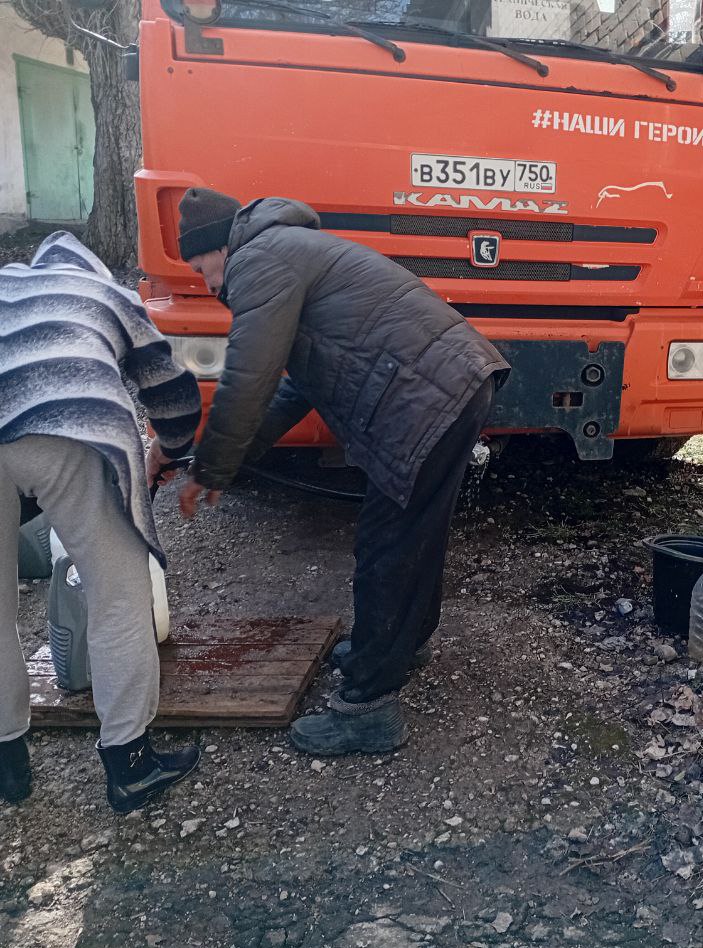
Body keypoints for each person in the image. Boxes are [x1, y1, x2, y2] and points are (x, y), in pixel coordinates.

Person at [174, 188, 509, 756]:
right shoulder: (289, 249)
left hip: (420, 397)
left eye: (200, 267)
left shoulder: (258, 259)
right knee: (413, 535)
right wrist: (230, 462)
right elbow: (292, 388)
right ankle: (398, 645)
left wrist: (210, 469)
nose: (206, 284)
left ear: (218, 247)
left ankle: (368, 708)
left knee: (387, 546)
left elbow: (247, 378)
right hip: (454, 381)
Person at [0, 233, 203, 813]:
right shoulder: (103, 291)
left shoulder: (7, 284)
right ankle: (130, 764)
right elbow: (172, 390)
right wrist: (172, 449)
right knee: (118, 597)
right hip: (69, 423)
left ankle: (8, 768)